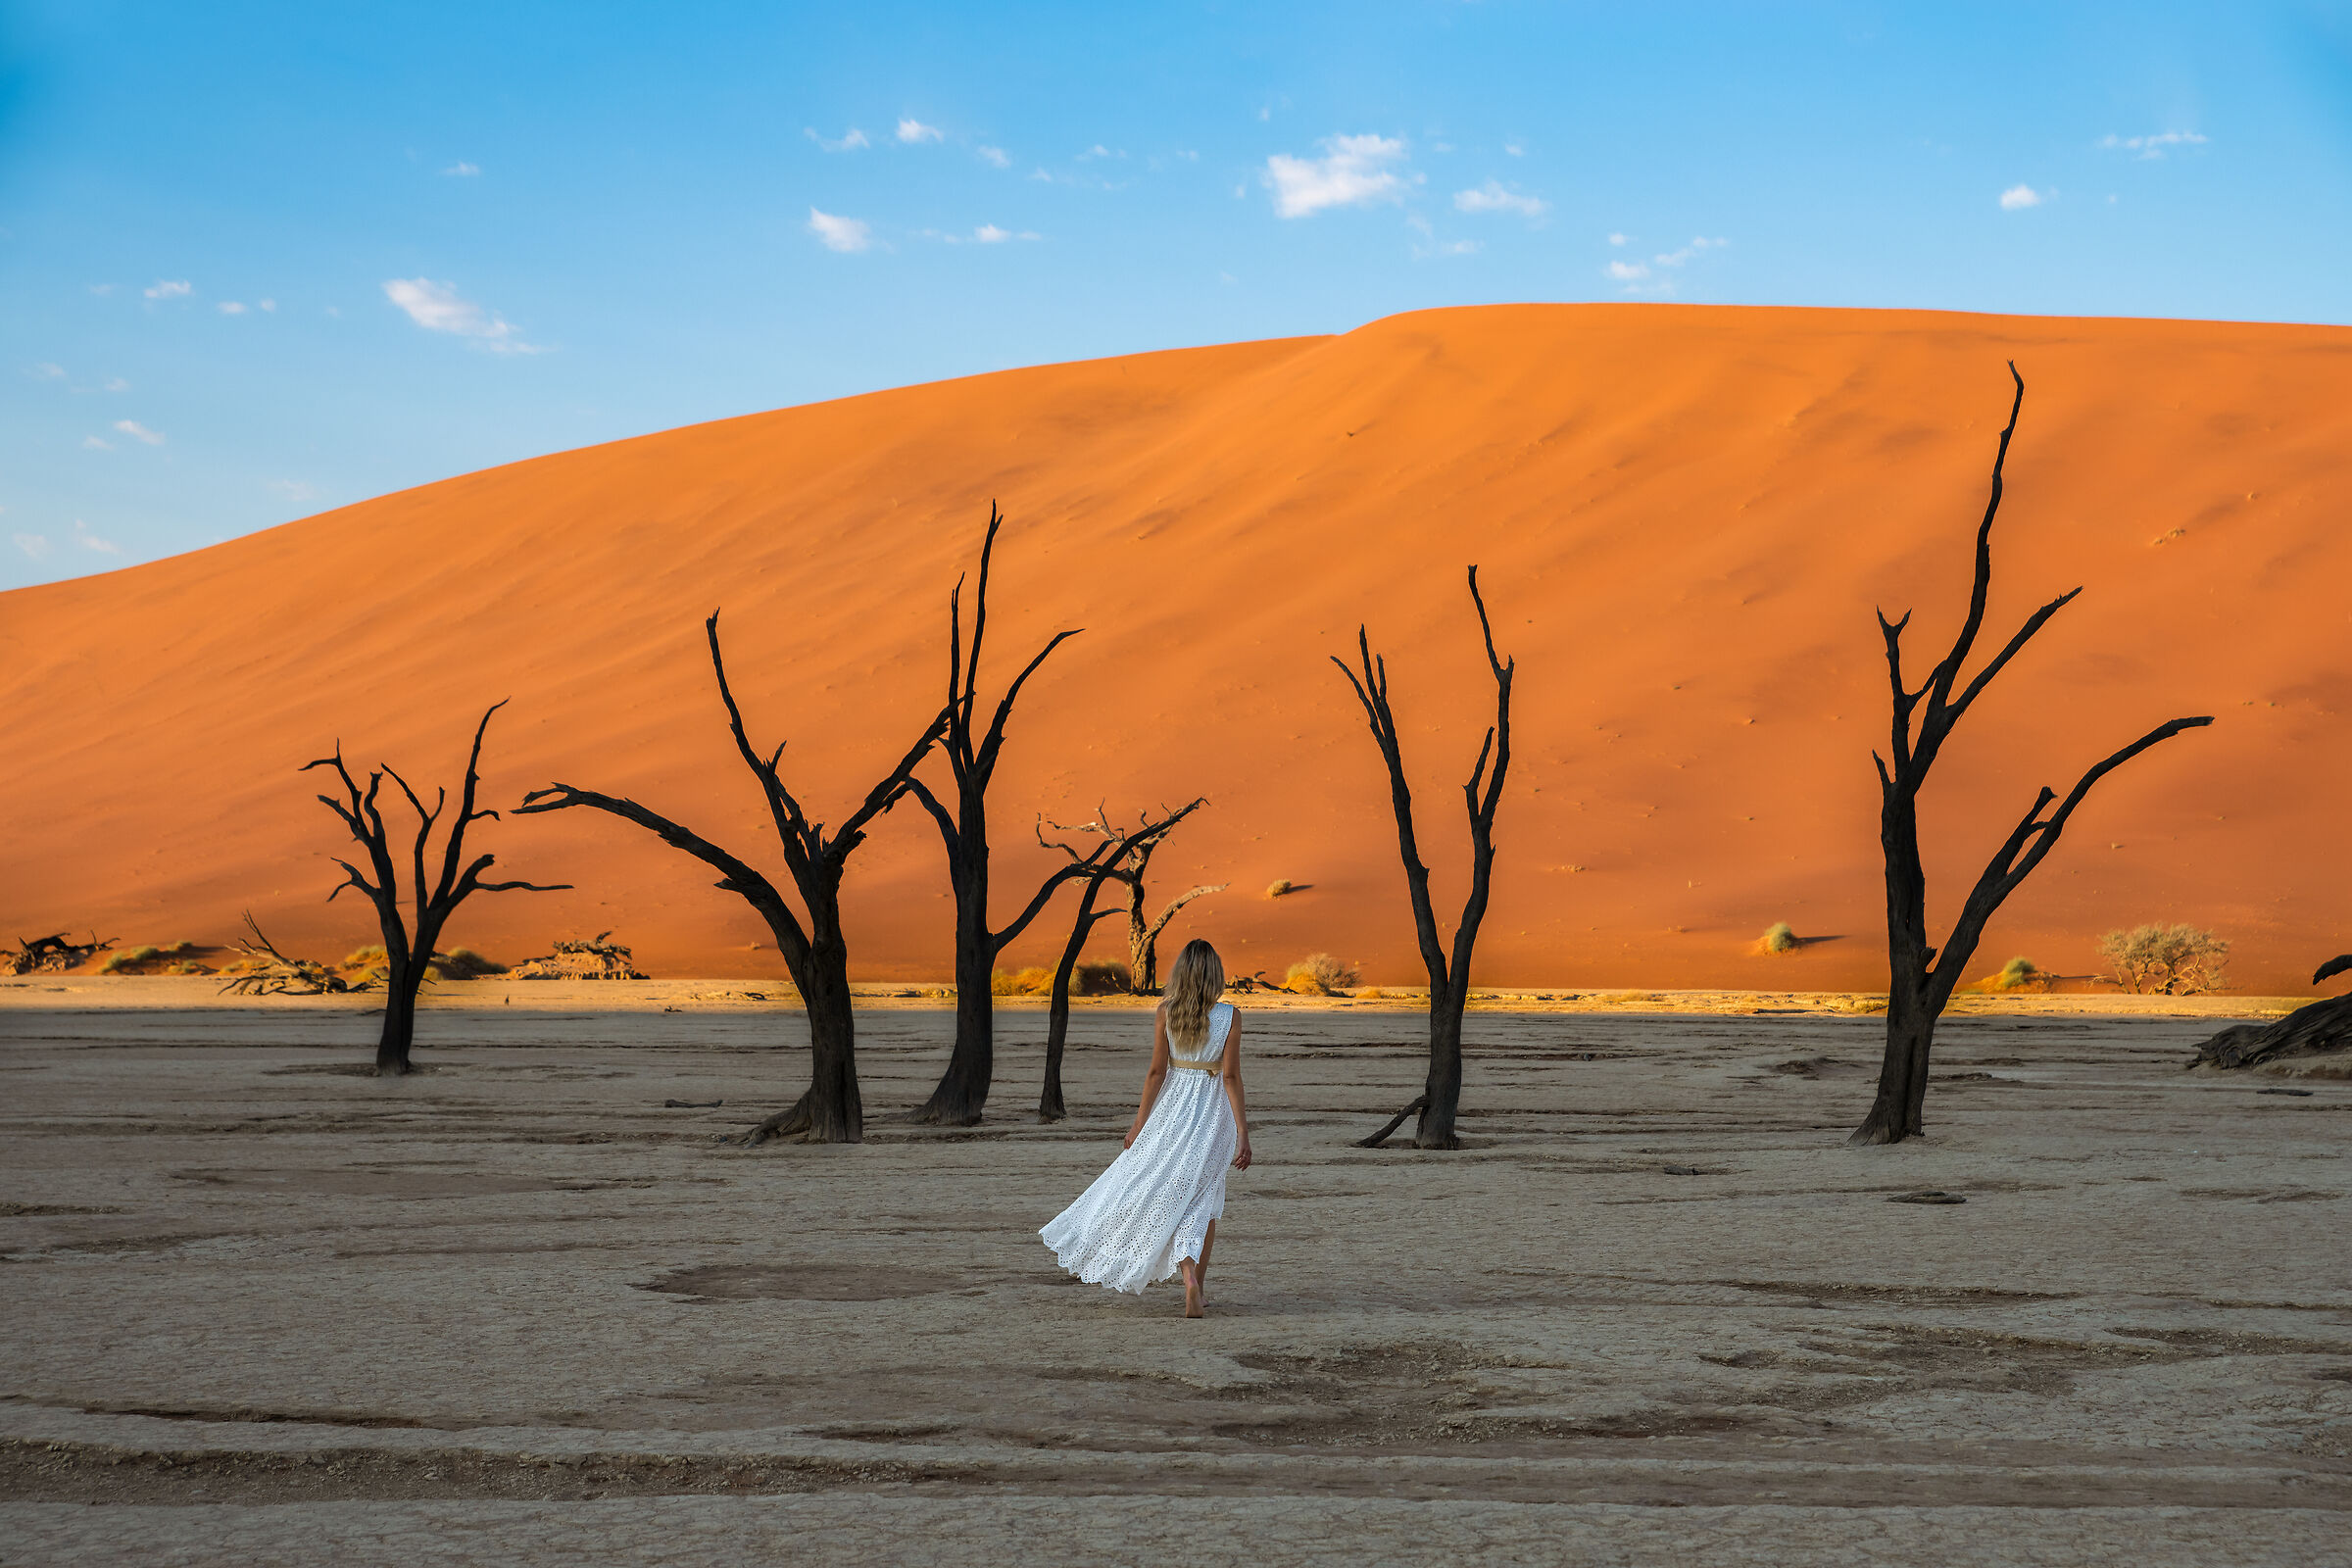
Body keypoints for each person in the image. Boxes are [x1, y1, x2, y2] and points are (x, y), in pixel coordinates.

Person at [1040, 938, 1252, 1317]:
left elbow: (1156, 1072)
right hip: (1212, 1119)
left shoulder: (1166, 1012)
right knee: (1204, 1202)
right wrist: (1242, 1132)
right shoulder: (1231, 1016)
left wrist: (1139, 1125)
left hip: (1171, 1112)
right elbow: (1231, 1077)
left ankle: (1189, 1279)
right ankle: (1196, 1287)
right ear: (1216, 975)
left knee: (1169, 1192)